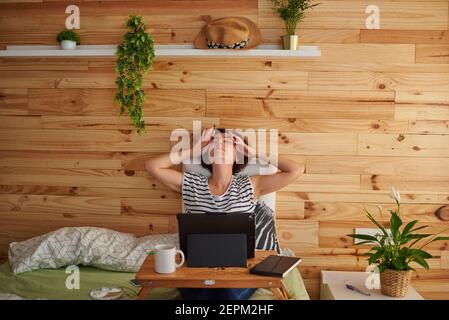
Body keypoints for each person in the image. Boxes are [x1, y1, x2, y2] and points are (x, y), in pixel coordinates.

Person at [145, 127, 305, 300]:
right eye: (214, 142)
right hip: (197, 271)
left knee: (228, 296)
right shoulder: (190, 184)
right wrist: (195, 150)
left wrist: (252, 152)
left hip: (238, 273)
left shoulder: (252, 185)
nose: (220, 144)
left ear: (237, 155)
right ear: (208, 154)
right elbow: (152, 166)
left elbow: (296, 170)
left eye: (227, 142)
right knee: (204, 295)